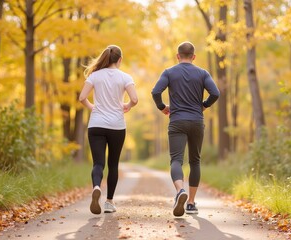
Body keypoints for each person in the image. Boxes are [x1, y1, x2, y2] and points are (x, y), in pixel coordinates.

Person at [151, 41, 220, 217]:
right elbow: (216, 93)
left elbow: (155, 92)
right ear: (194, 56)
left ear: (178, 56)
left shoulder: (169, 72)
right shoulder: (203, 73)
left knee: (176, 160)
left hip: (177, 121)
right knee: (195, 161)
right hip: (197, 121)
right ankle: (190, 203)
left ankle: (180, 191)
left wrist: (162, 107)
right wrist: (203, 106)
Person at [79, 45, 138, 215]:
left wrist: (92, 107)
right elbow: (134, 99)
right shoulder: (125, 77)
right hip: (117, 126)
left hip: (96, 124)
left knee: (98, 163)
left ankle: (96, 186)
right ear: (119, 60)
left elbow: (82, 97)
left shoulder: (95, 76)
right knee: (113, 165)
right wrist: (127, 105)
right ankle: (109, 202)